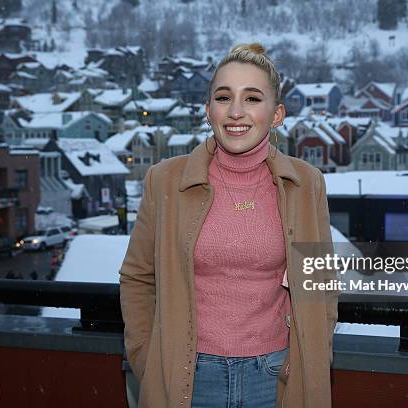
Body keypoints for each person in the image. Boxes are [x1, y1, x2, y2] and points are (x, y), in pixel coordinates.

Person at [120, 43, 338, 408]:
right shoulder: (165, 180)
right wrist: (147, 359)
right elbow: (138, 277)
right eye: (223, 97)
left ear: (277, 114)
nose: (236, 112)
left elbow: (321, 285)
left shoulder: (306, 183)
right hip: (187, 376)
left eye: (252, 98)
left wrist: (311, 360)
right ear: (208, 110)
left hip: (274, 376)